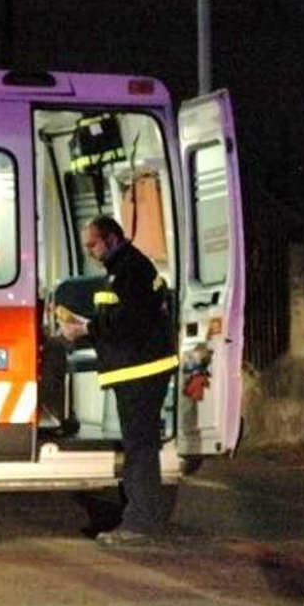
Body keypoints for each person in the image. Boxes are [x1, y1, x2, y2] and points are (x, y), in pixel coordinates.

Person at [59, 216, 178, 546]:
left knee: (139, 449)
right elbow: (118, 315)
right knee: (139, 446)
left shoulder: (130, 269)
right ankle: (143, 517)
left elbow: (128, 321)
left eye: (93, 244)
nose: (90, 252)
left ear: (111, 239)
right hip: (138, 370)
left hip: (140, 372)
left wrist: (84, 329)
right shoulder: (124, 268)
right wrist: (88, 323)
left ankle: (140, 524)